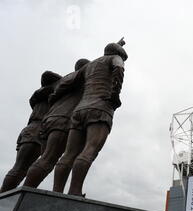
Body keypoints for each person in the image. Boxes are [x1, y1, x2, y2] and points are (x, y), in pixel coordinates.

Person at [53, 39, 127, 196]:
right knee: (90, 150)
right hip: (100, 108)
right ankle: (75, 191)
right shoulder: (115, 58)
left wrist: (54, 95)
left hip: (79, 111)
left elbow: (67, 82)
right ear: (119, 54)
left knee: (69, 153)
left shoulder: (89, 65)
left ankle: (56, 192)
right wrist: (114, 95)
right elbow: (119, 69)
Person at [23, 59, 91, 188]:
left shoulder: (63, 81)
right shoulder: (80, 77)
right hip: (63, 120)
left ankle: (26, 194)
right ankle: (26, 194)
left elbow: (43, 86)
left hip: (49, 120)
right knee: (49, 159)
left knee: (46, 158)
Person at [1, 71, 62, 193]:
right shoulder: (48, 92)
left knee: (21, 169)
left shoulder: (40, 96)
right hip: (37, 129)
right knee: (20, 169)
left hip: (32, 129)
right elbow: (47, 75)